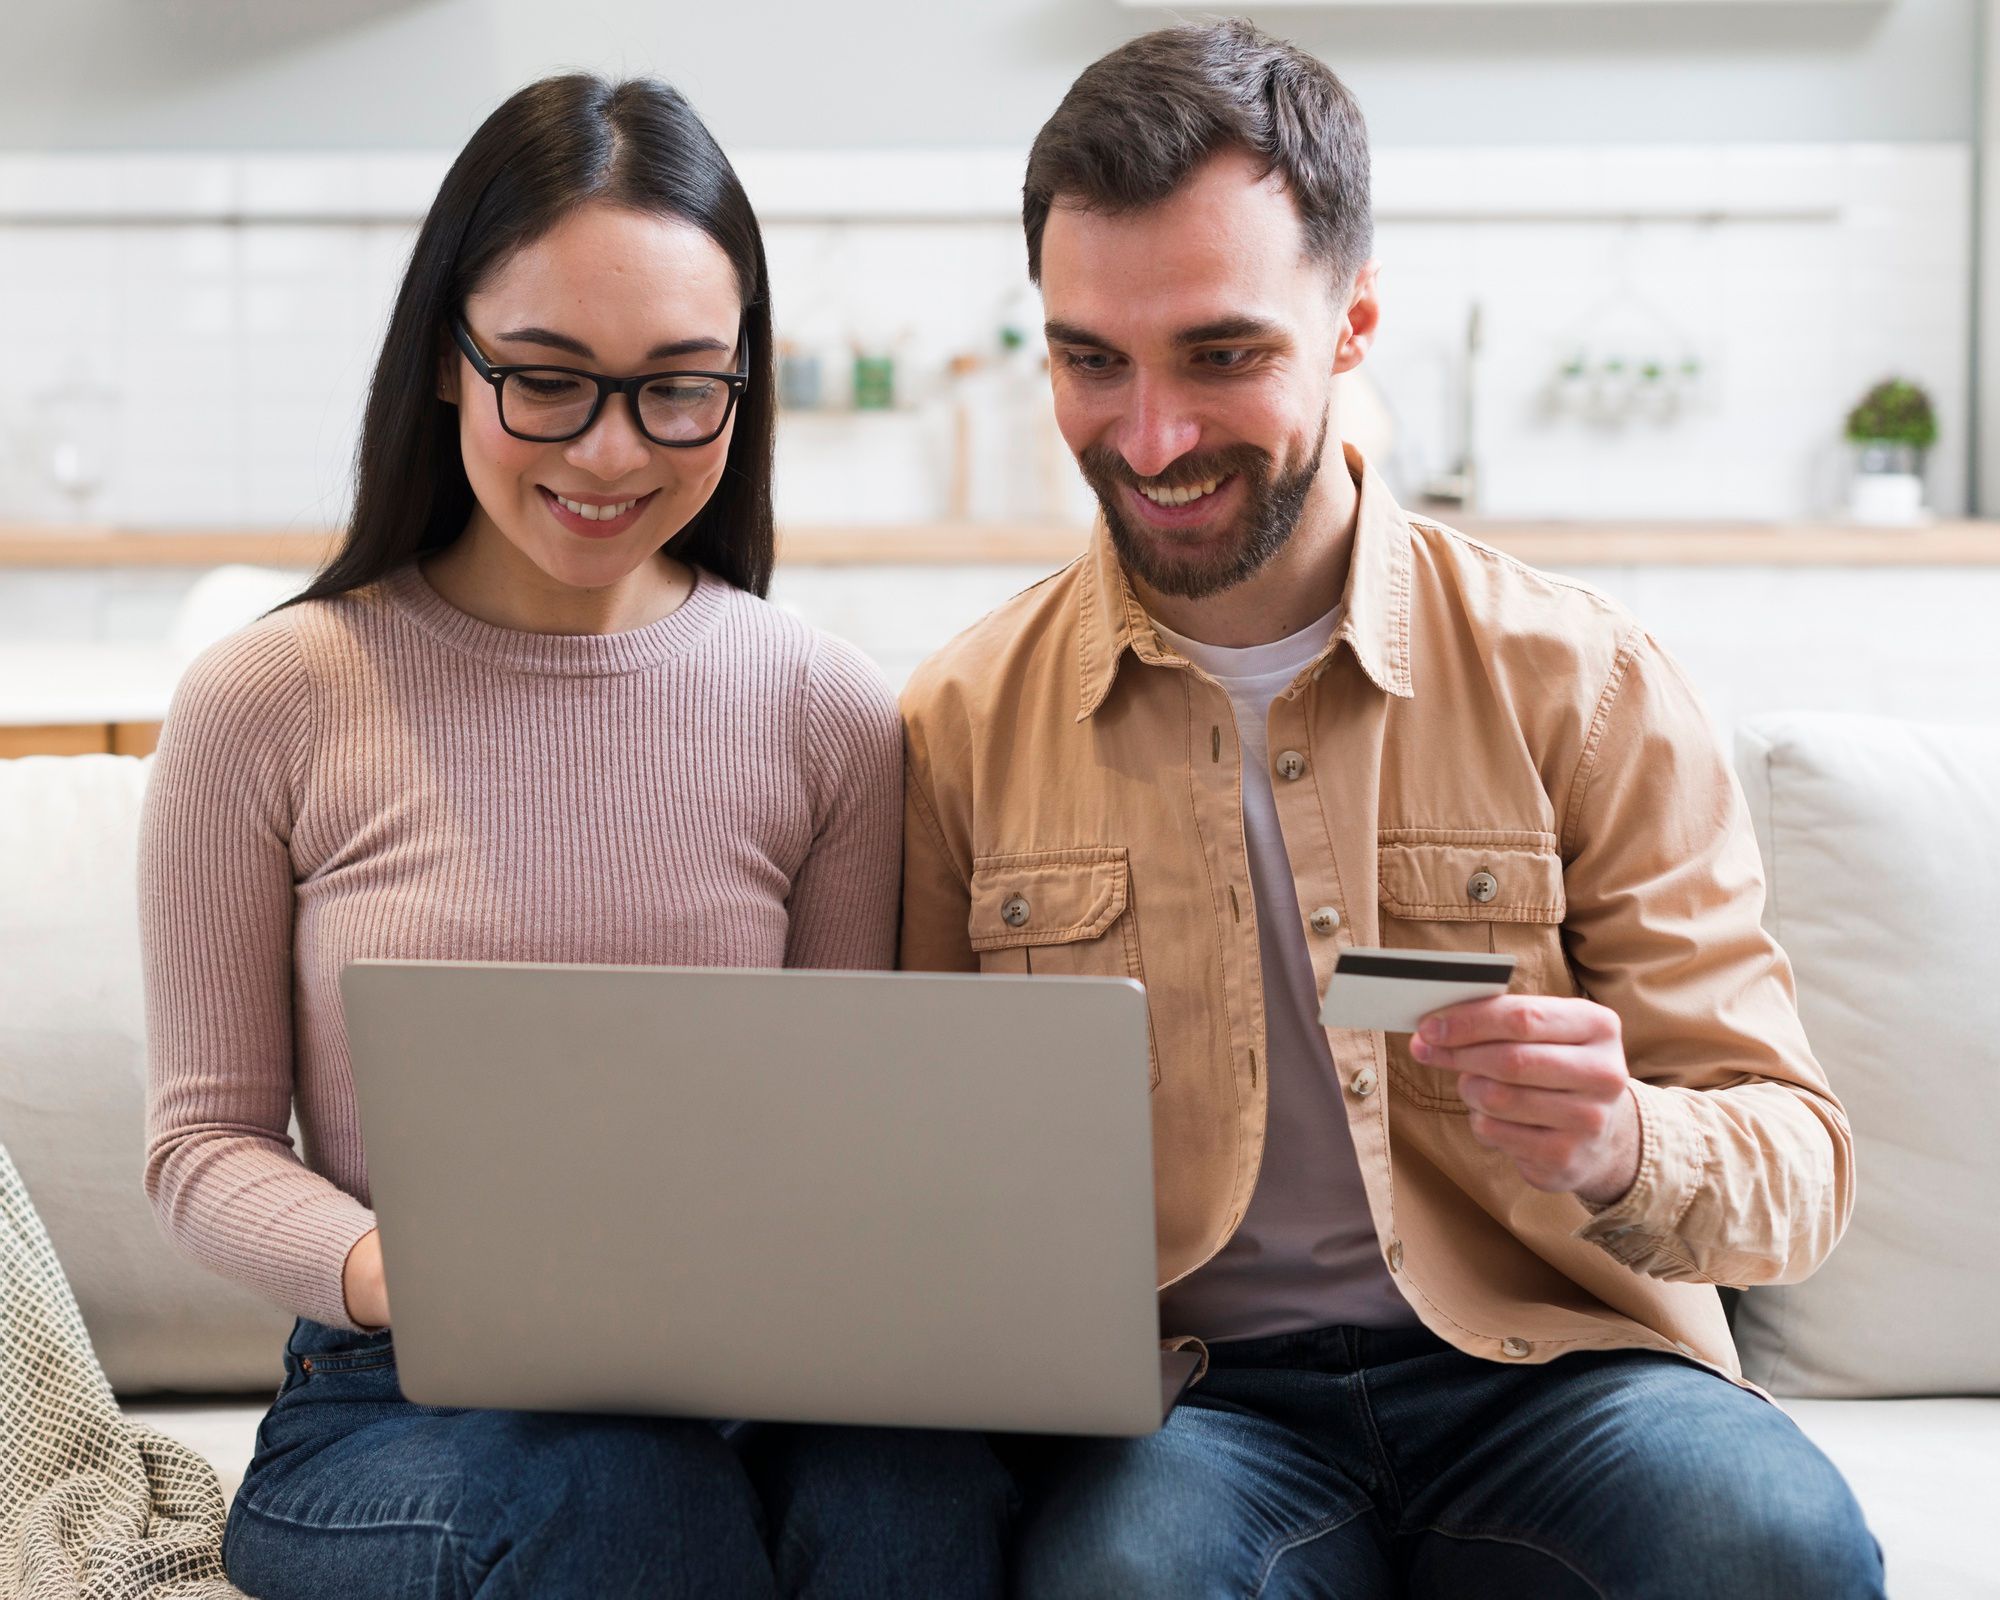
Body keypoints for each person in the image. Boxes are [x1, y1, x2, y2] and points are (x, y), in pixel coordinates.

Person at [898, 21, 1884, 1599]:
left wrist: (1626, 1144)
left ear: (1354, 324)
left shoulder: (1588, 684)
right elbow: (911, 1183)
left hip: (1557, 1373)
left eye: (1223, 355)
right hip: (1191, 1405)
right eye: (1094, 360)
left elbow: (1801, 1166)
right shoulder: (955, 725)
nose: (1149, 440)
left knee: (1770, 1539)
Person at [139, 73, 1011, 1600]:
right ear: (441, 365)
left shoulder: (827, 712)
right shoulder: (265, 699)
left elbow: (845, 1140)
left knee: (914, 1492)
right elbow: (201, 1148)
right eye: (546, 378)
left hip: (752, 1383)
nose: (612, 453)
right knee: (623, 1494)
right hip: (395, 1399)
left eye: (681, 387)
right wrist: (407, 1274)